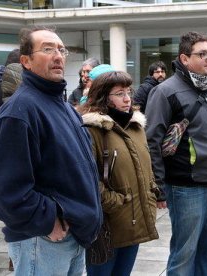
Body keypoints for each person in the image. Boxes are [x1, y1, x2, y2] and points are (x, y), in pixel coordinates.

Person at [0, 26, 102, 275]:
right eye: (47, 49)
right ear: (26, 61)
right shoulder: (20, 110)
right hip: (43, 240)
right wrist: (47, 221)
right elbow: (0, 188)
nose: (58, 55)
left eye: (61, 49)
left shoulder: (62, 106)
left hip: (72, 236)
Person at [145, 31, 207, 276]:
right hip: (187, 187)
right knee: (184, 255)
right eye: (202, 54)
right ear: (185, 59)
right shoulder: (165, 91)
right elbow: (152, 141)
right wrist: (159, 186)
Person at [78, 70, 159, 276]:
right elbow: (85, 178)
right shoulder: (92, 129)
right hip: (108, 224)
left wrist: (151, 193)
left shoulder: (135, 126)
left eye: (128, 92)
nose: (127, 98)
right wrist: (114, 201)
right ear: (104, 97)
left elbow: (145, 168)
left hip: (135, 219)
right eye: (120, 93)